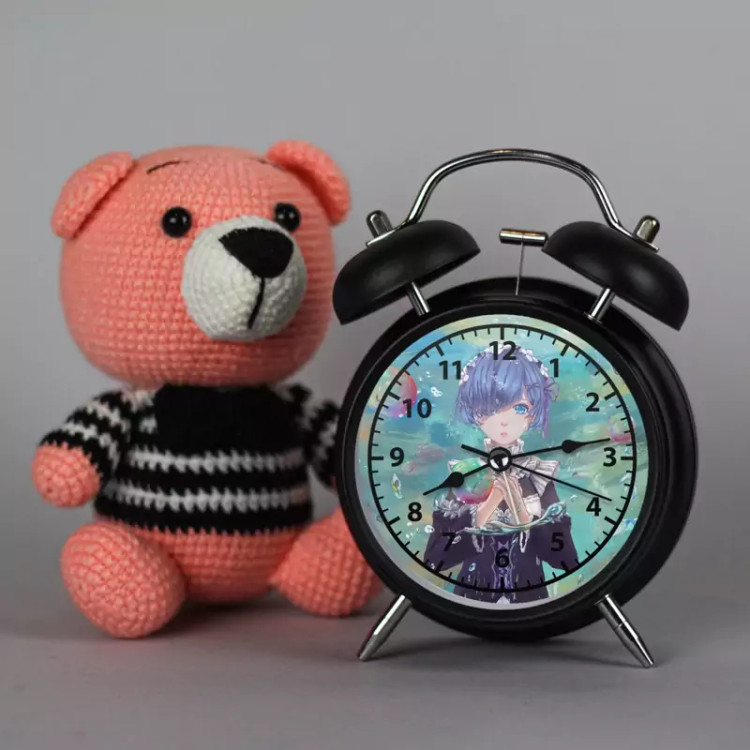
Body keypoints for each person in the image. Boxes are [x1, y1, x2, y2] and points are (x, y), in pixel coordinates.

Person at [425, 345, 578, 603]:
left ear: (532, 414)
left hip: (532, 602)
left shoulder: (539, 475)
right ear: (476, 414)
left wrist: (521, 511)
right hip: (471, 600)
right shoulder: (465, 474)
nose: (504, 421)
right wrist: (487, 507)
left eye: (519, 408)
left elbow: (566, 560)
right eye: (491, 409)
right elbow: (435, 559)